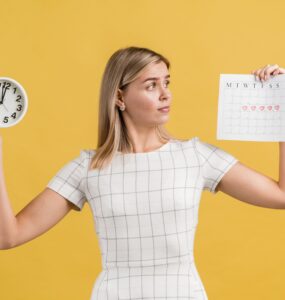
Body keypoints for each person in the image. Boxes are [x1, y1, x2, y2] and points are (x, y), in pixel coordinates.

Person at [0, 47, 284, 300]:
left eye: (167, 83)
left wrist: (281, 105)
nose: (165, 93)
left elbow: (281, 196)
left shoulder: (196, 156)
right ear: (120, 96)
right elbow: (8, 237)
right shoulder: (88, 168)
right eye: (151, 85)